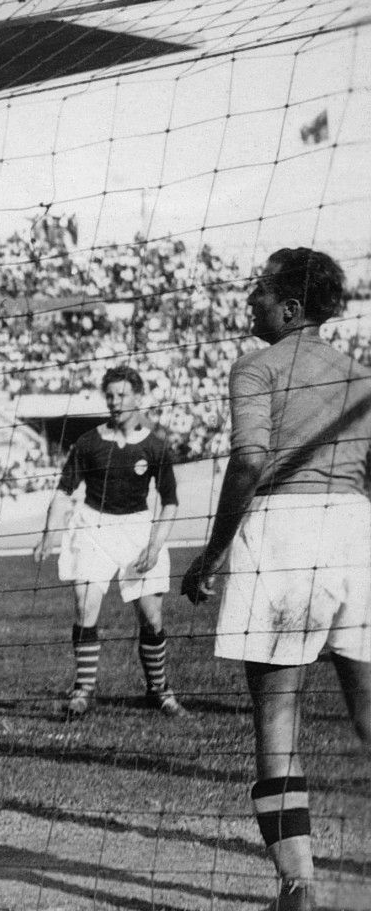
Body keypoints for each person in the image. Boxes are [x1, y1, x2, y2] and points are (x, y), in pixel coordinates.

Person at [182, 248, 371, 911]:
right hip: (356, 533)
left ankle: (299, 885)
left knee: (278, 717)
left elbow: (249, 461)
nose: (249, 302)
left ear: (291, 308)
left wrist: (210, 555)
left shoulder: (257, 365)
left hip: (285, 534)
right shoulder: (357, 375)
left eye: (259, 292)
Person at [33, 366, 184, 718]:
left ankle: (158, 688)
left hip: (137, 529)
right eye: (111, 396)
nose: (116, 402)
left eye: (122, 395)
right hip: (92, 525)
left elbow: (171, 501)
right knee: (86, 607)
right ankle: (83, 691)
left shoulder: (154, 446)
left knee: (152, 617)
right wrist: (48, 536)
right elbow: (62, 493)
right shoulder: (88, 443)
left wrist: (154, 545)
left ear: (137, 397)